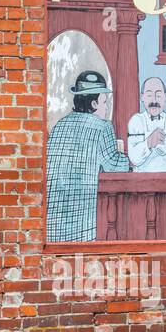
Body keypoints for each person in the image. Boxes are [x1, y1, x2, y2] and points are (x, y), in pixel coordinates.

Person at [46, 70, 131, 243]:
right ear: (94, 104)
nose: (107, 107)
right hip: (80, 226)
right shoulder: (102, 127)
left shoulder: (59, 126)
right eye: (104, 102)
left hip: (51, 227)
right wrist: (127, 158)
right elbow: (114, 165)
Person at [127, 77, 166, 172]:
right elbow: (134, 158)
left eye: (158, 95)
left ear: (165, 97)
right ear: (142, 97)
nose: (154, 101)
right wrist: (149, 142)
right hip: (142, 182)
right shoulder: (137, 121)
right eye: (149, 95)